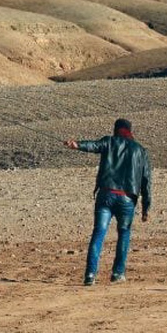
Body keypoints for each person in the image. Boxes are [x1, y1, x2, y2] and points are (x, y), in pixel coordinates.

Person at [64, 118, 151, 286]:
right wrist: (146, 206)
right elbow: (146, 180)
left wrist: (76, 145)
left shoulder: (109, 142)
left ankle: (90, 274)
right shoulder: (140, 150)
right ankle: (118, 273)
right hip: (127, 198)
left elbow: (93, 146)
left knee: (99, 232)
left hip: (106, 195)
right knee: (124, 233)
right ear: (129, 131)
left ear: (116, 130)